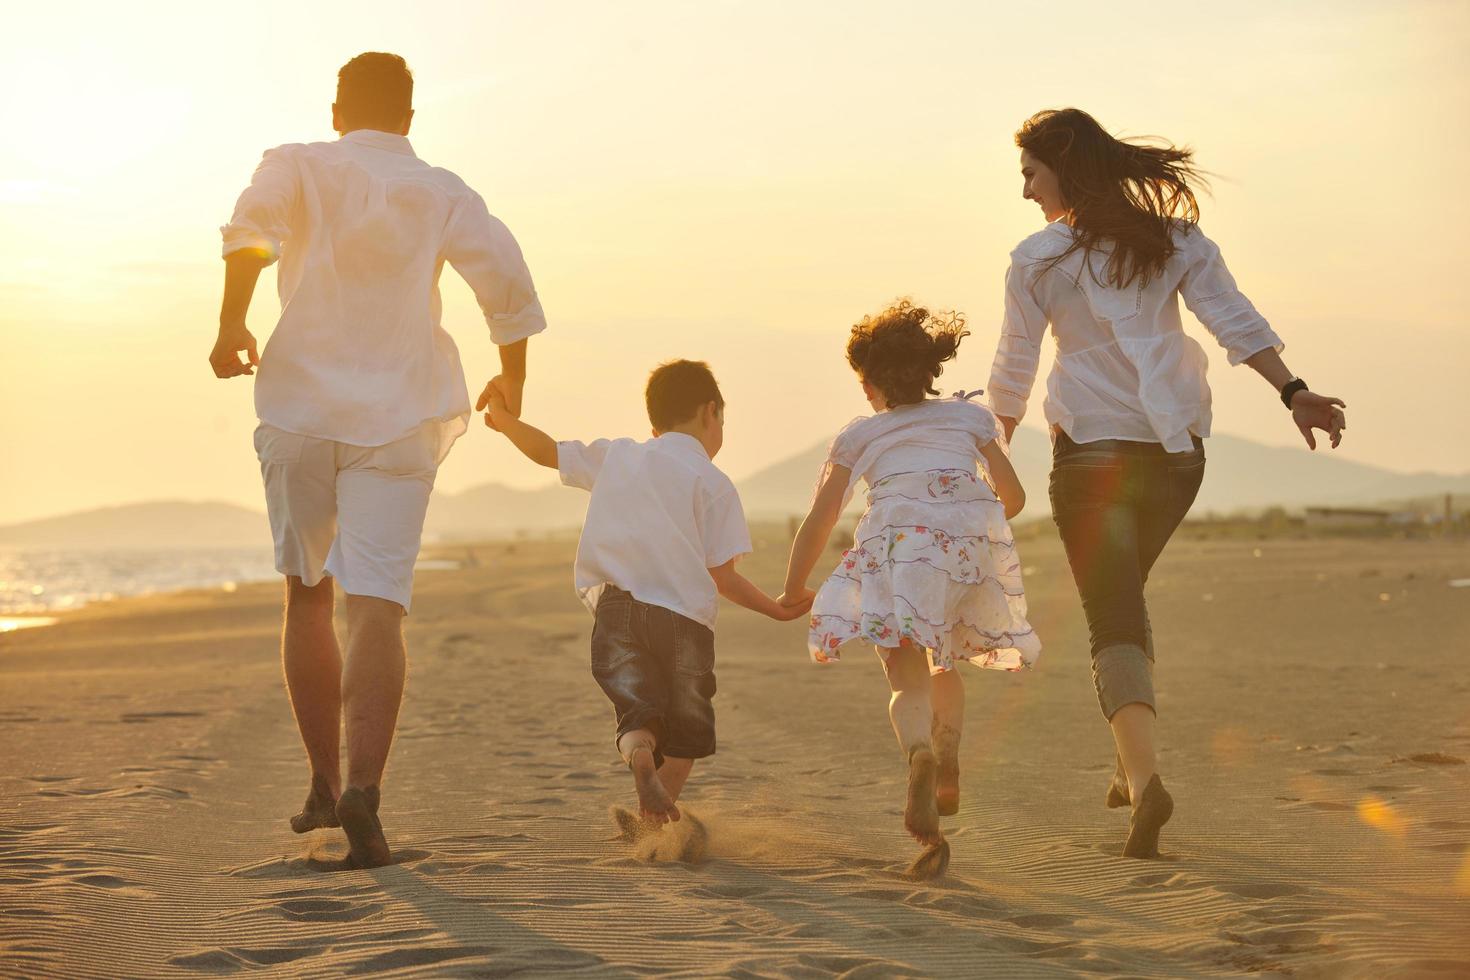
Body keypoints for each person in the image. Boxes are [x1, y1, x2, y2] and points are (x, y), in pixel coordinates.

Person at [209, 52, 546, 868]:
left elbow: (250, 233)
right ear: (409, 118)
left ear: (336, 111)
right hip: (399, 418)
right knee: (379, 604)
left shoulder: (294, 163)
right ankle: (363, 788)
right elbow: (505, 281)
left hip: (298, 411)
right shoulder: (440, 189)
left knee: (307, 594)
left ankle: (323, 784)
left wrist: (230, 326)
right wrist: (515, 382)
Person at [987, 108, 1348, 859]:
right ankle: (1129, 767)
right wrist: (1294, 391)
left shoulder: (1037, 258)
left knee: (1111, 615)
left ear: (1064, 167)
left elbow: (1015, 365)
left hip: (1089, 457)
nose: (1024, 191)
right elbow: (1233, 320)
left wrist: (991, 452)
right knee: (1124, 599)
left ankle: (1146, 784)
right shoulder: (1175, 240)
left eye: (1030, 173)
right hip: (1176, 459)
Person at [482, 359, 811, 839]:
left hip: (617, 611)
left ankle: (639, 758)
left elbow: (547, 452)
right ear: (710, 412)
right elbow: (722, 577)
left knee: (638, 713)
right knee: (687, 730)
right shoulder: (715, 484)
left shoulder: (620, 455)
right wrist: (776, 609)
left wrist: (503, 417)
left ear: (653, 425)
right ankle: (654, 818)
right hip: (684, 621)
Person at [780, 301, 1039, 862]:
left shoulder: (859, 434)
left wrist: (793, 586)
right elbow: (1014, 498)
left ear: (870, 382)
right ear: (930, 371)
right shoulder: (969, 418)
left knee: (904, 675)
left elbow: (820, 518)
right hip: (960, 544)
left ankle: (919, 750)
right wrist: (970, 520)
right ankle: (947, 760)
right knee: (944, 658)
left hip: (895, 543)